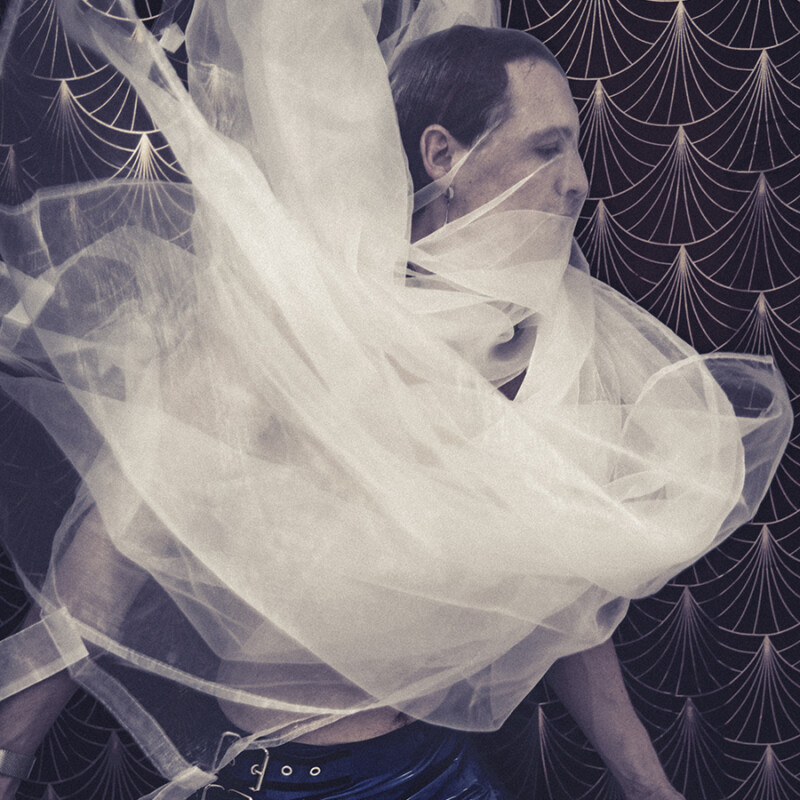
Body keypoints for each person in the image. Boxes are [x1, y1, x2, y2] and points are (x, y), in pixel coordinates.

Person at [0, 3, 791, 800]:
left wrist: (647, 785)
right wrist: (11, 746)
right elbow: (111, 555)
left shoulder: (541, 354)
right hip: (293, 784)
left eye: (576, 150)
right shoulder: (295, 327)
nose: (579, 180)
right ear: (444, 155)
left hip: (442, 770)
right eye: (547, 147)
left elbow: (560, 600)